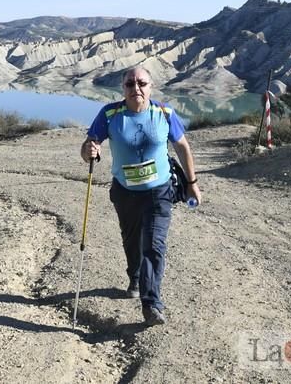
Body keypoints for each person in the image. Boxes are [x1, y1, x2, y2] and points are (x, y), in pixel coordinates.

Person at [80, 66, 202, 327]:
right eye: (130, 84)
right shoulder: (110, 114)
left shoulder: (165, 113)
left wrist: (192, 183)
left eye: (142, 83)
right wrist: (90, 150)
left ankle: (152, 303)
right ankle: (134, 276)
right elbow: (90, 146)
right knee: (131, 239)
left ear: (151, 86)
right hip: (125, 193)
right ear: (122, 88)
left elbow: (182, 147)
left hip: (159, 191)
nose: (136, 88)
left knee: (154, 245)